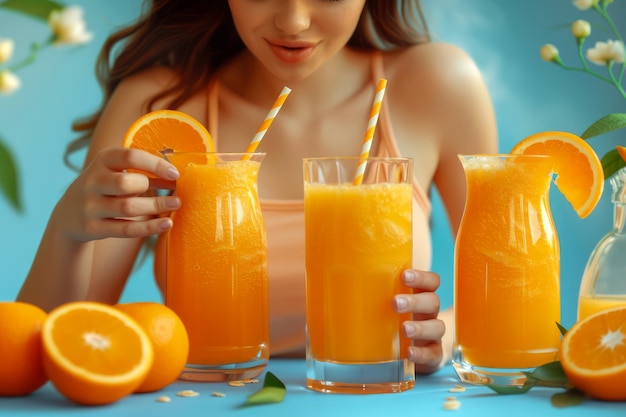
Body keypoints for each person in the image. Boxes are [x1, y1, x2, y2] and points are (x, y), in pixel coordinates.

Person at [17, 0, 498, 375]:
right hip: (206, 396)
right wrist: (67, 229)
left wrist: (440, 337)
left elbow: (499, 293)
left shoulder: (437, 84)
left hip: (376, 392)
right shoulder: (162, 108)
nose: (293, 21)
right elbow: (45, 344)